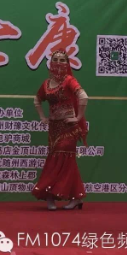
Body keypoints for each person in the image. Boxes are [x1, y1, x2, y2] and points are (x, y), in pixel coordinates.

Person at [32, 50, 89, 211]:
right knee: (60, 160)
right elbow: (37, 100)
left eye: (62, 60)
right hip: (54, 128)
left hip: (69, 128)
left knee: (61, 159)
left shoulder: (69, 80)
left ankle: (52, 196)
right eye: (55, 59)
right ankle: (74, 197)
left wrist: (78, 117)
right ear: (50, 63)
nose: (58, 62)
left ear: (67, 63)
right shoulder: (46, 84)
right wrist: (42, 117)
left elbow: (83, 97)